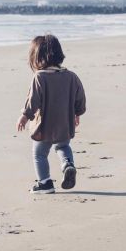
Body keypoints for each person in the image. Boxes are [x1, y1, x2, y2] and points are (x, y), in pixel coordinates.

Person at [16, 34, 86, 194]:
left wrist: (25, 115)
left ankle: (45, 183)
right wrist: (77, 113)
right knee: (63, 146)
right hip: (64, 123)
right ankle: (67, 164)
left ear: (37, 57)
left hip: (44, 126)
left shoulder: (39, 77)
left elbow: (33, 100)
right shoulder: (71, 76)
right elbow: (80, 96)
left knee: (39, 153)